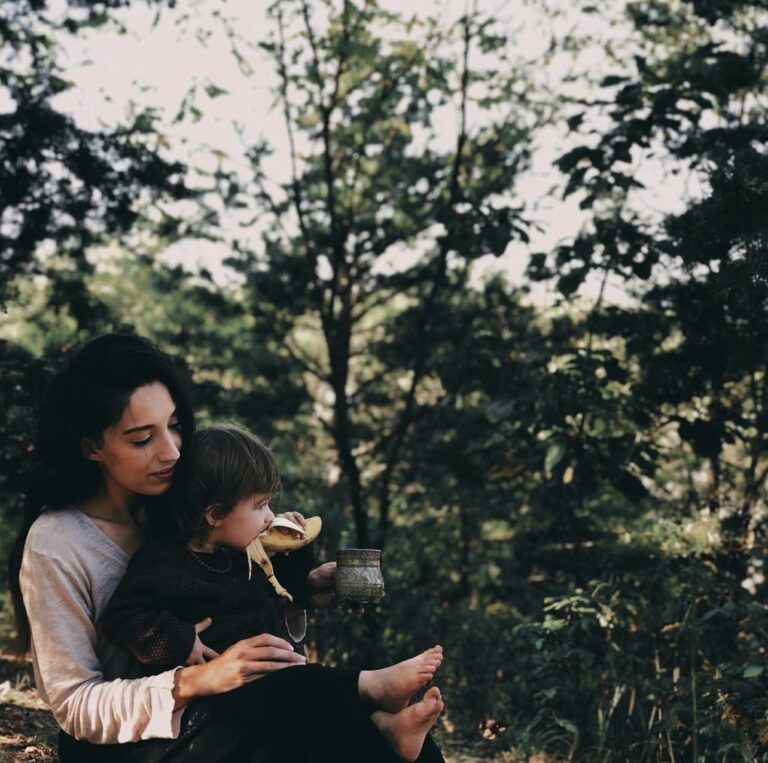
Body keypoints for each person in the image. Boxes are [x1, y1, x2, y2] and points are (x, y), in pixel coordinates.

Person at [7, 333, 447, 762]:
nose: (173, 452)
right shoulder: (57, 544)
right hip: (131, 740)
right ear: (91, 448)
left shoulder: (184, 509)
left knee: (392, 738)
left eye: (175, 427)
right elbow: (75, 706)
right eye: (142, 439)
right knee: (316, 722)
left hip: (223, 703)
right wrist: (198, 679)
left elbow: (231, 595)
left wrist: (302, 592)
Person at [100, 424, 445, 753]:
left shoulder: (242, 555)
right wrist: (180, 640)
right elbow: (122, 616)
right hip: (220, 698)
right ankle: (373, 688)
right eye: (260, 505)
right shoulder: (164, 563)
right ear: (215, 514)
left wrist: (295, 547)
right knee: (306, 686)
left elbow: (284, 589)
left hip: (272, 680)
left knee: (311, 692)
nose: (269, 516)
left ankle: (387, 729)